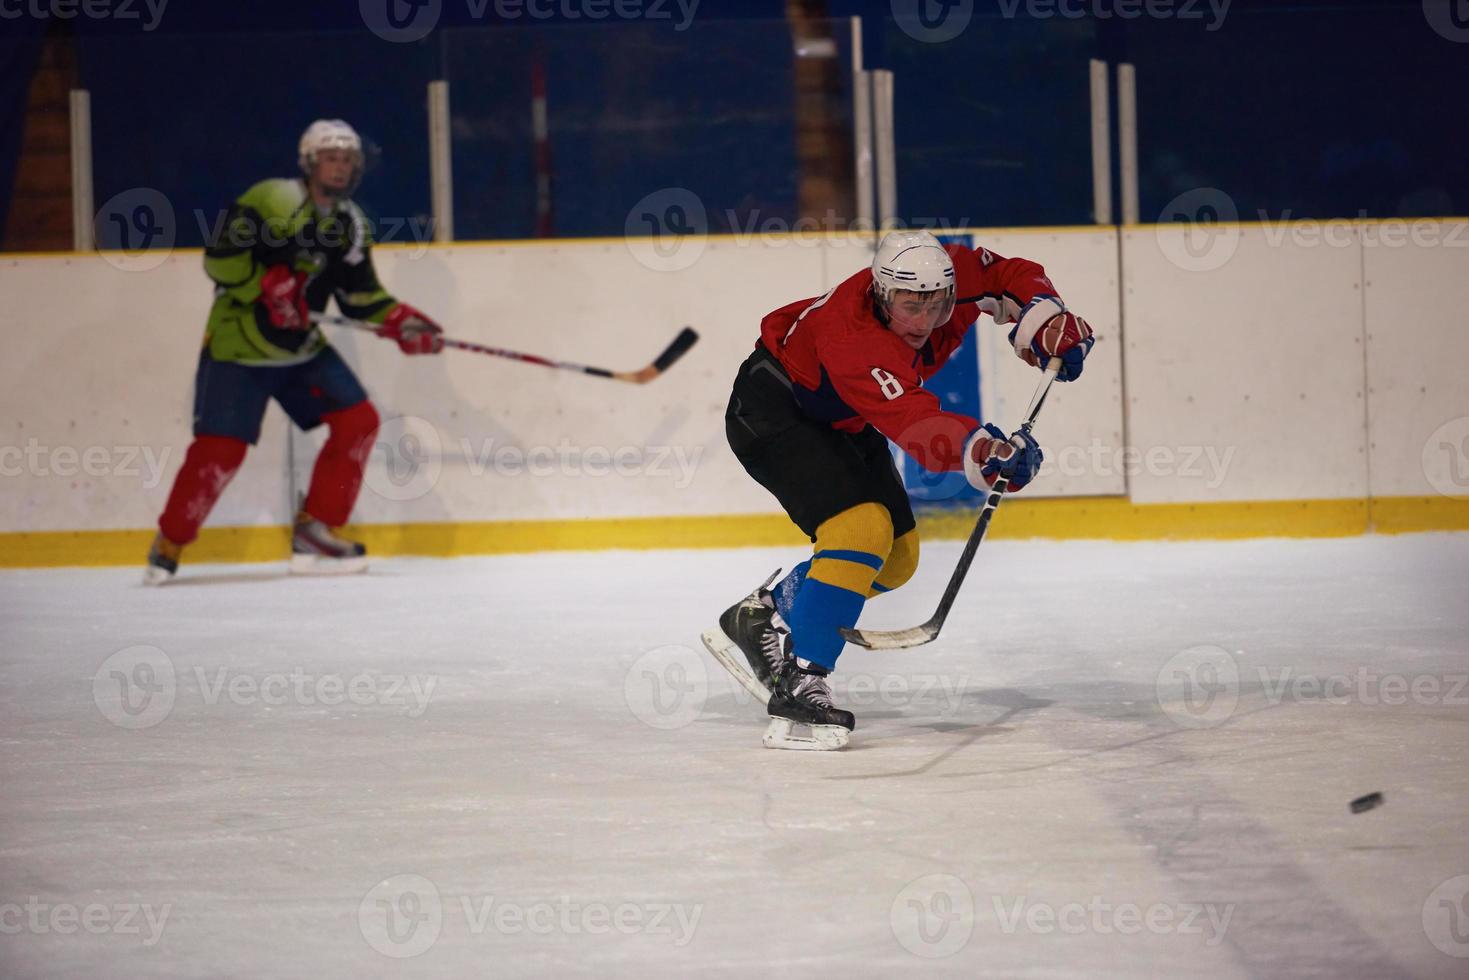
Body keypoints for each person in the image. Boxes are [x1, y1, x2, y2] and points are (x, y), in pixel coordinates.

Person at [703, 229, 1094, 749]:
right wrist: (986, 453)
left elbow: (1006, 274)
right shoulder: (853, 338)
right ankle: (802, 680)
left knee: (897, 560)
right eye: (911, 307)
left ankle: (764, 611)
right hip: (775, 414)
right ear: (880, 292)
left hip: (842, 418)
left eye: (938, 305)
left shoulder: (945, 272)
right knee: (862, 531)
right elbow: (914, 422)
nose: (925, 321)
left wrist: (1045, 315)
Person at [144, 119, 445, 584]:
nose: (340, 168)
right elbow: (220, 258)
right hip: (239, 344)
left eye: (348, 160)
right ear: (309, 162)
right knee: (220, 451)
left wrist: (401, 321)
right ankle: (171, 540)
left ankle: (315, 528)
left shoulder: (351, 225)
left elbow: (361, 295)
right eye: (330, 158)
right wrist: (262, 286)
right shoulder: (271, 199)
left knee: (358, 421)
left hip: (301, 348)